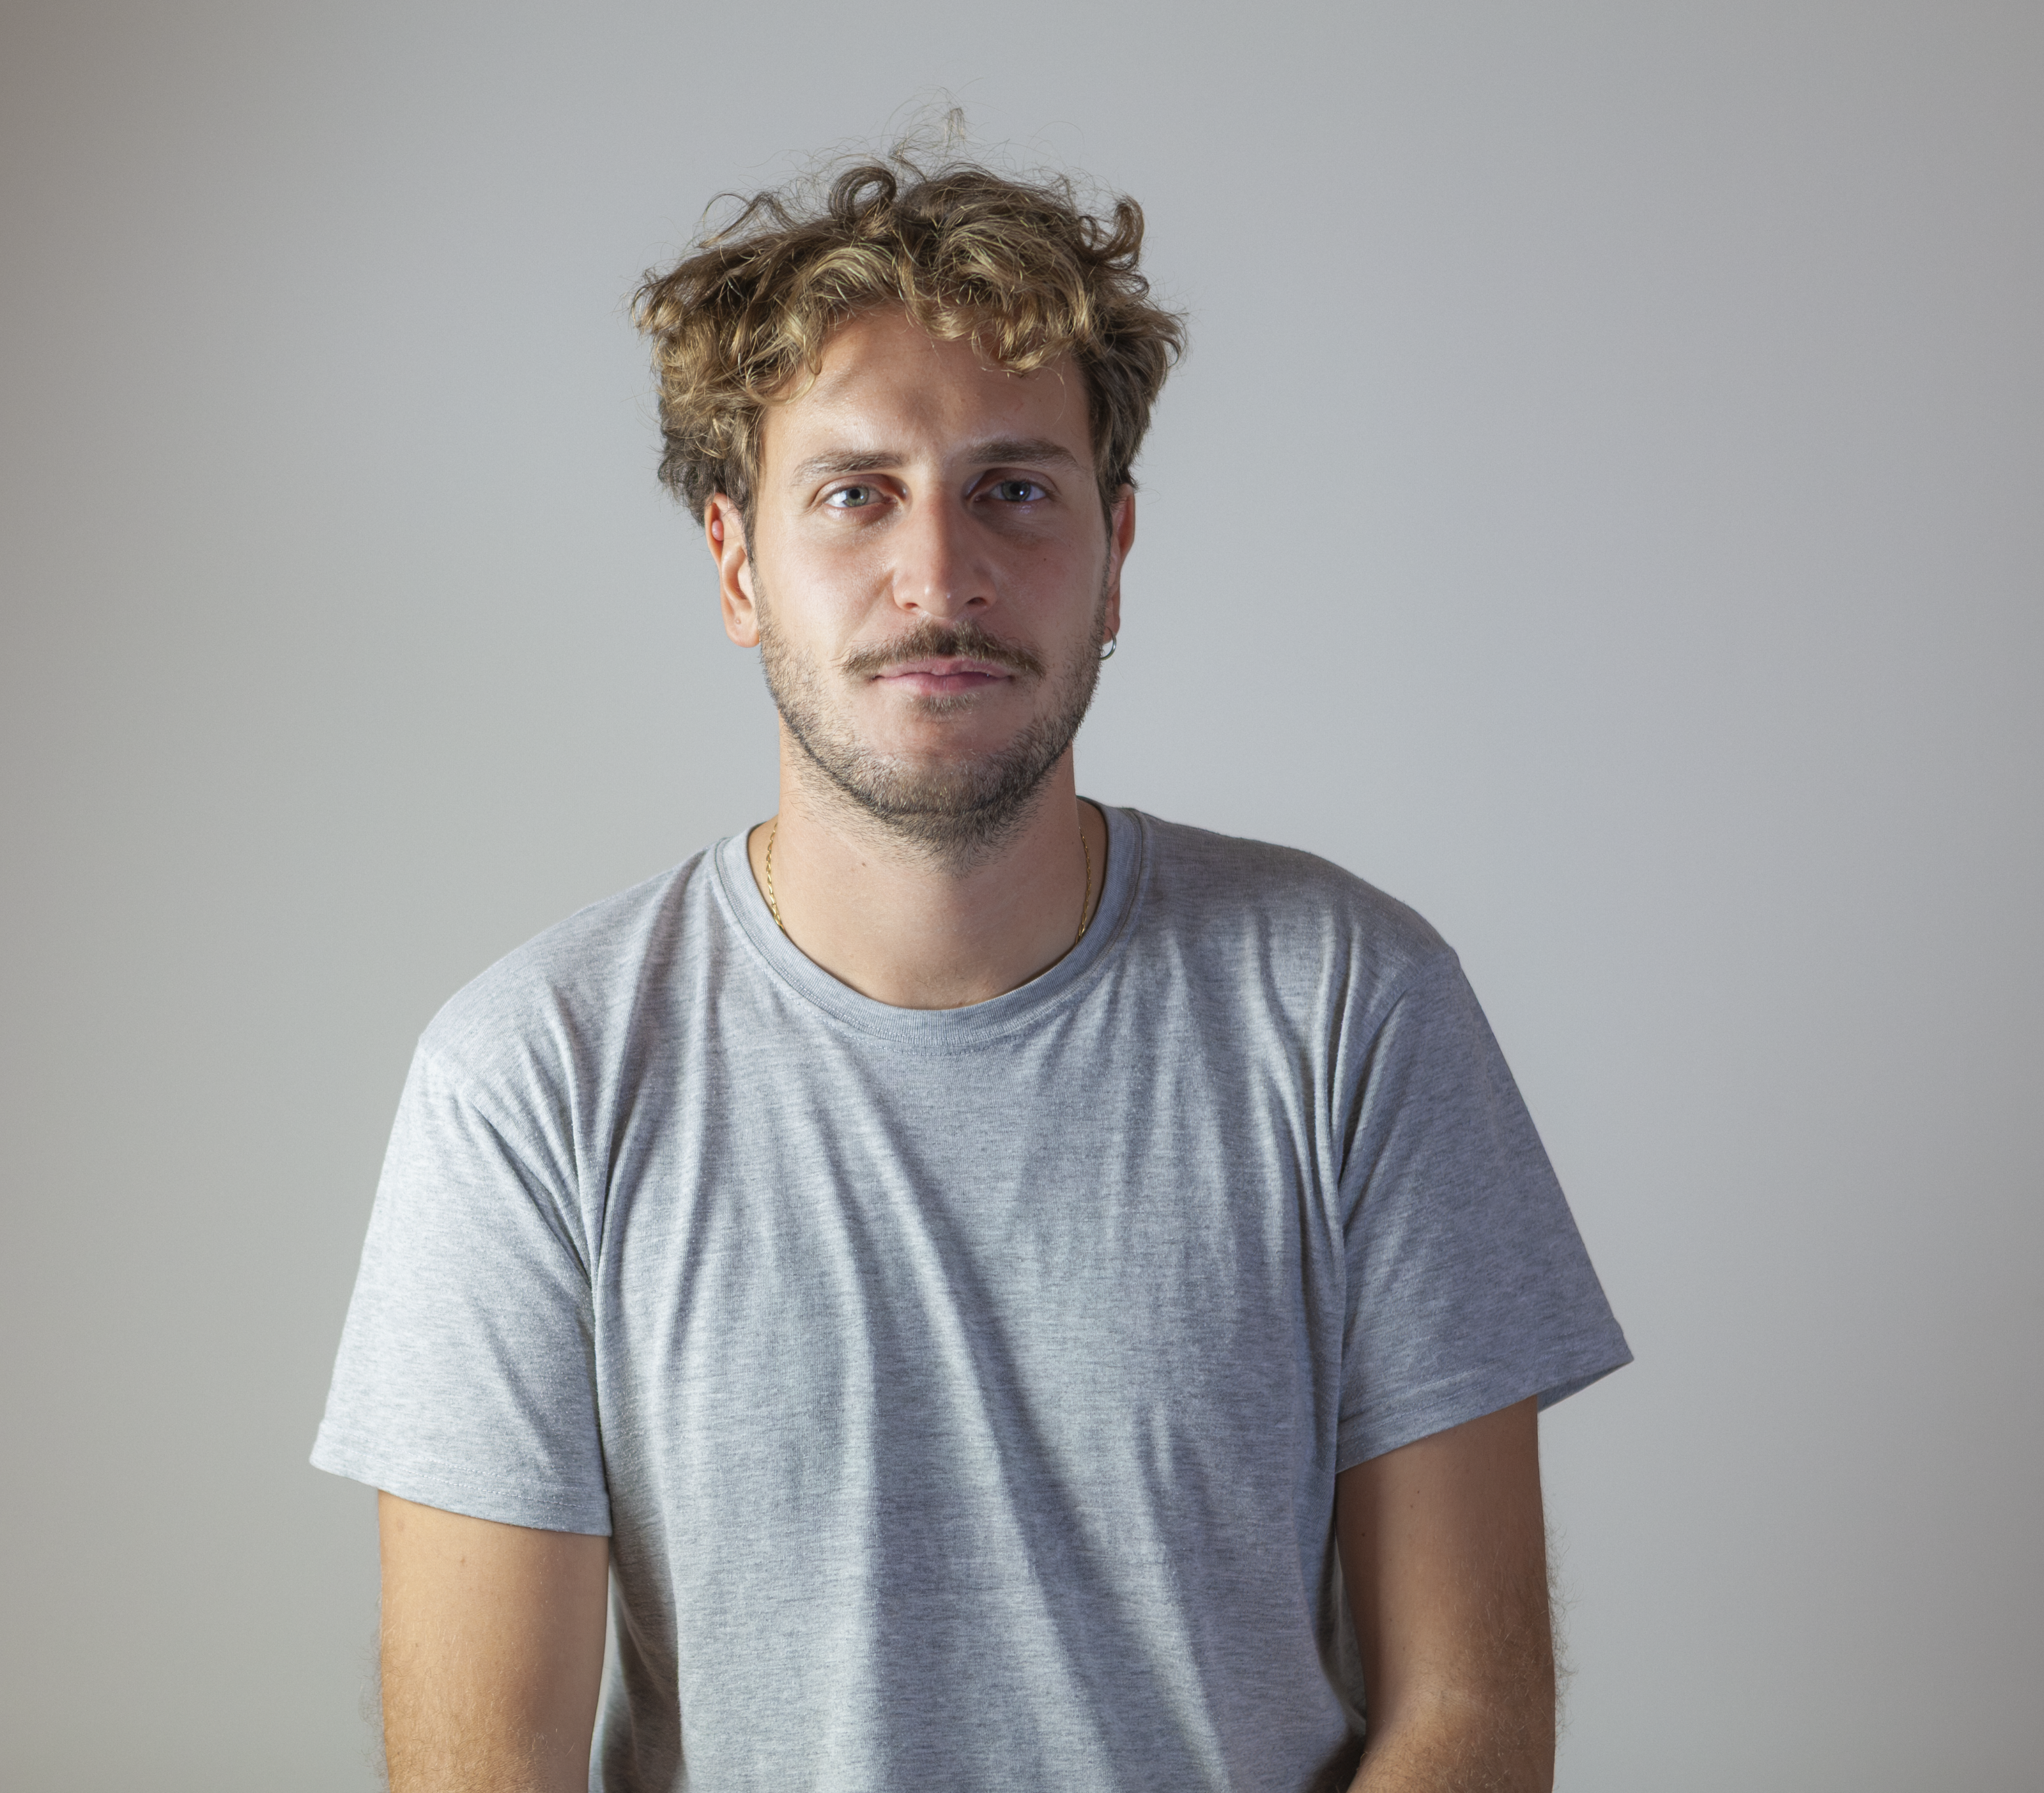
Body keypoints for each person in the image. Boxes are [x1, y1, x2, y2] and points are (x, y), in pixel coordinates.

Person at [313, 142, 1630, 1793]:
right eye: (853, 494)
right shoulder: (530, 1078)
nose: (939, 577)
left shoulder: (1350, 1008)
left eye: (1014, 488)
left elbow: (1471, 1715)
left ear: (1115, 552)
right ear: (736, 564)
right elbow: (479, 1768)